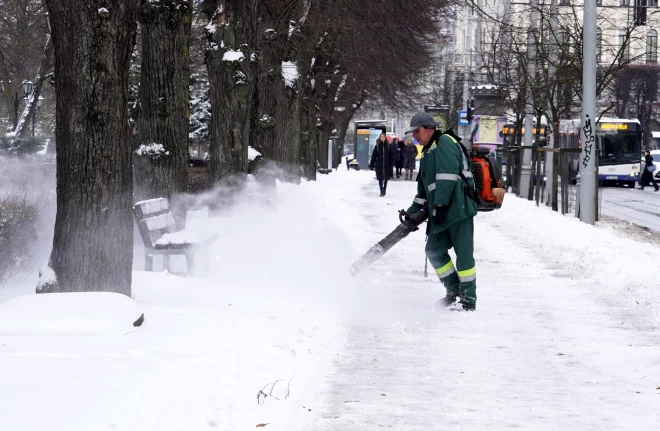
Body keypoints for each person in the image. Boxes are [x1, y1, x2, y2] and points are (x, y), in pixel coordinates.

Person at [401, 112, 478, 311]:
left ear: (428, 128)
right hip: (441, 210)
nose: (415, 136)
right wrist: (412, 212)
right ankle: (454, 290)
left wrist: (441, 206)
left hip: (458, 208)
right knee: (434, 249)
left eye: (417, 131)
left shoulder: (444, 142)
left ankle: (468, 299)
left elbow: (447, 177)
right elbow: (424, 190)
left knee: (464, 254)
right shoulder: (427, 152)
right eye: (413, 133)